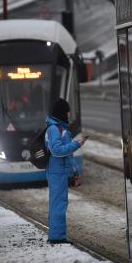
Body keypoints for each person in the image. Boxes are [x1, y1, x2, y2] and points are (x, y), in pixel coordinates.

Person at [45, 98, 87, 244]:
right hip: (56, 172)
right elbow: (56, 151)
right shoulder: (54, 129)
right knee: (58, 204)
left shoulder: (61, 129)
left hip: (61, 171)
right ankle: (56, 238)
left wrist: (74, 172)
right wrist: (76, 144)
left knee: (59, 203)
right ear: (62, 113)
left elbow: (67, 155)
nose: (69, 115)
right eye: (67, 112)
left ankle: (57, 235)